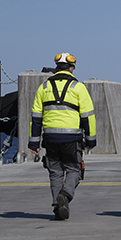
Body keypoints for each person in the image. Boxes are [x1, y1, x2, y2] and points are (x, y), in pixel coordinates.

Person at [29, 52, 96, 220]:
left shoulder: (44, 87)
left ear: (56, 68)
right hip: (71, 138)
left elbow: (36, 117)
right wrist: (90, 140)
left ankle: (58, 208)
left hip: (50, 138)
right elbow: (88, 116)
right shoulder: (78, 87)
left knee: (55, 172)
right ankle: (65, 196)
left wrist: (34, 142)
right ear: (72, 69)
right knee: (74, 169)